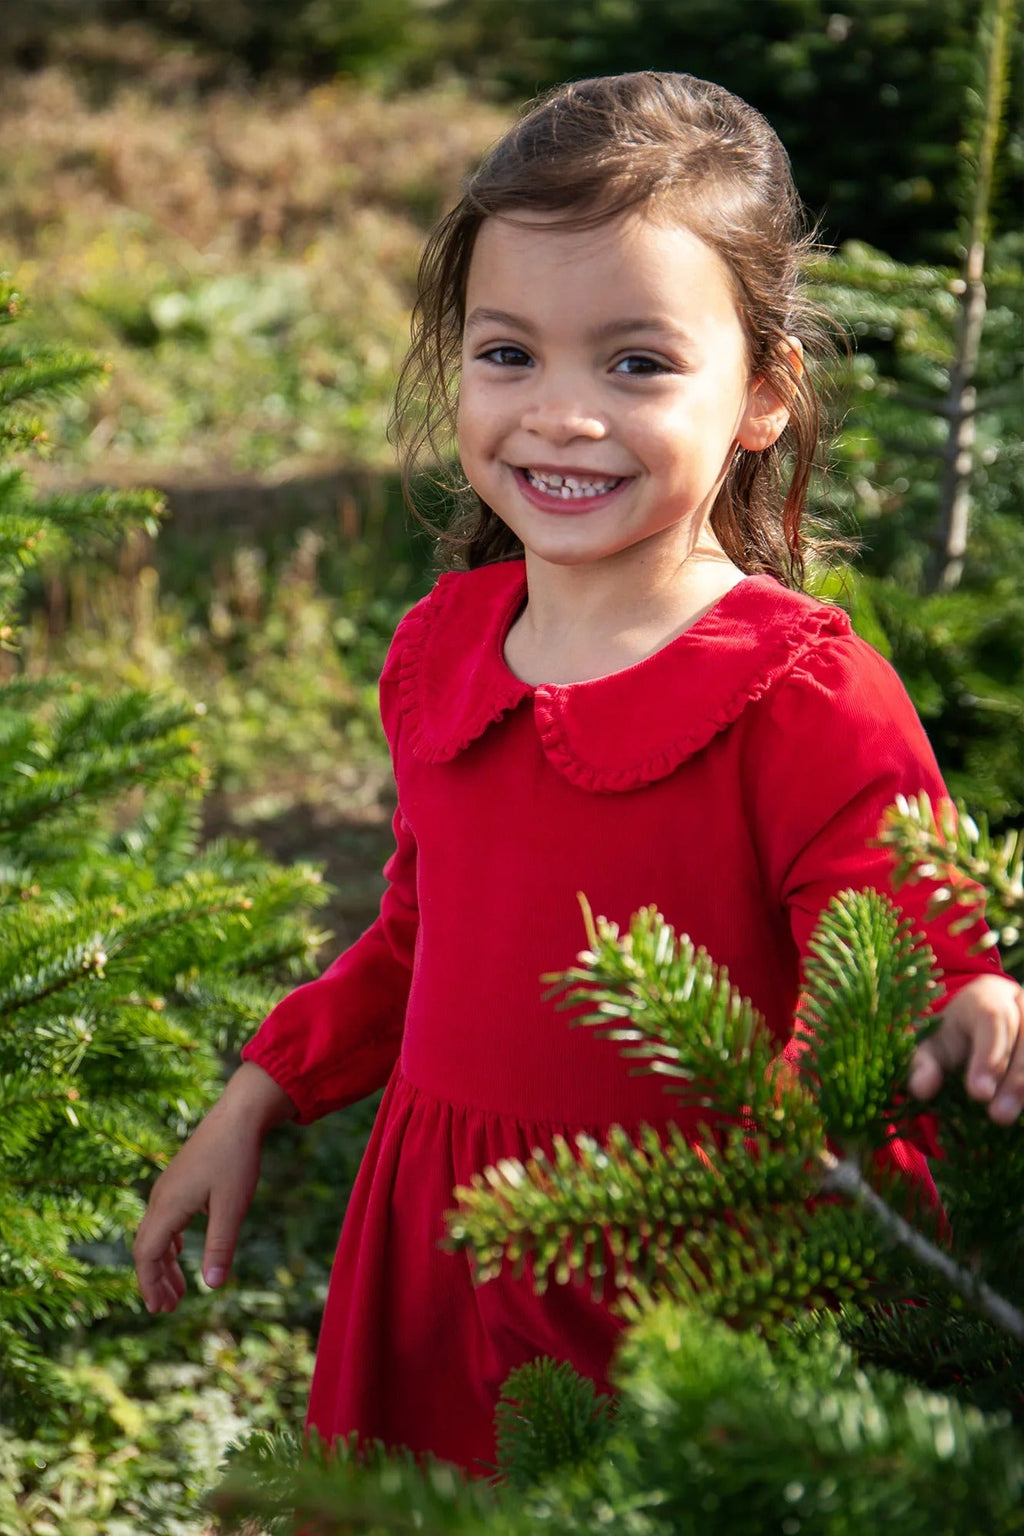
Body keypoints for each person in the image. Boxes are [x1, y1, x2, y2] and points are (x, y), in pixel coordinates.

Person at [133, 71, 1024, 1473]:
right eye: (507, 354)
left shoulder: (798, 686)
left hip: (692, 1288)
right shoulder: (445, 650)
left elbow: (898, 933)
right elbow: (423, 938)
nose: (560, 413)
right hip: (440, 1262)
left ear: (764, 396)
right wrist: (263, 1088)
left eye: (636, 363)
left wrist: (970, 988)